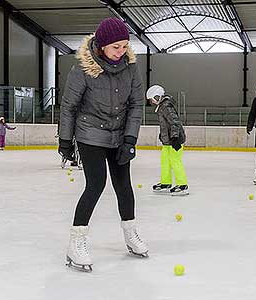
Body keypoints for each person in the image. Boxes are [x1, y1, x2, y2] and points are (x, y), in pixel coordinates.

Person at [59, 18, 146, 272]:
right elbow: (69, 106)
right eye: (116, 47)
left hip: (119, 135)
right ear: (101, 46)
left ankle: (130, 234)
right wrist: (65, 140)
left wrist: (130, 139)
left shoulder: (130, 67)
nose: (121, 52)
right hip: (90, 134)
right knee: (96, 184)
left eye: (125, 46)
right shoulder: (83, 68)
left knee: (124, 186)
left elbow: (136, 104)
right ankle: (76, 242)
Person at [145, 85, 189, 196]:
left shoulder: (166, 106)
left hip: (175, 140)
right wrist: (163, 135)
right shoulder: (161, 106)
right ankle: (166, 183)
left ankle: (182, 185)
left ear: (157, 96)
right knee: (165, 161)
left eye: (152, 99)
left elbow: (175, 122)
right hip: (167, 141)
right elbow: (166, 124)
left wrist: (175, 138)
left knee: (175, 161)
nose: (152, 102)